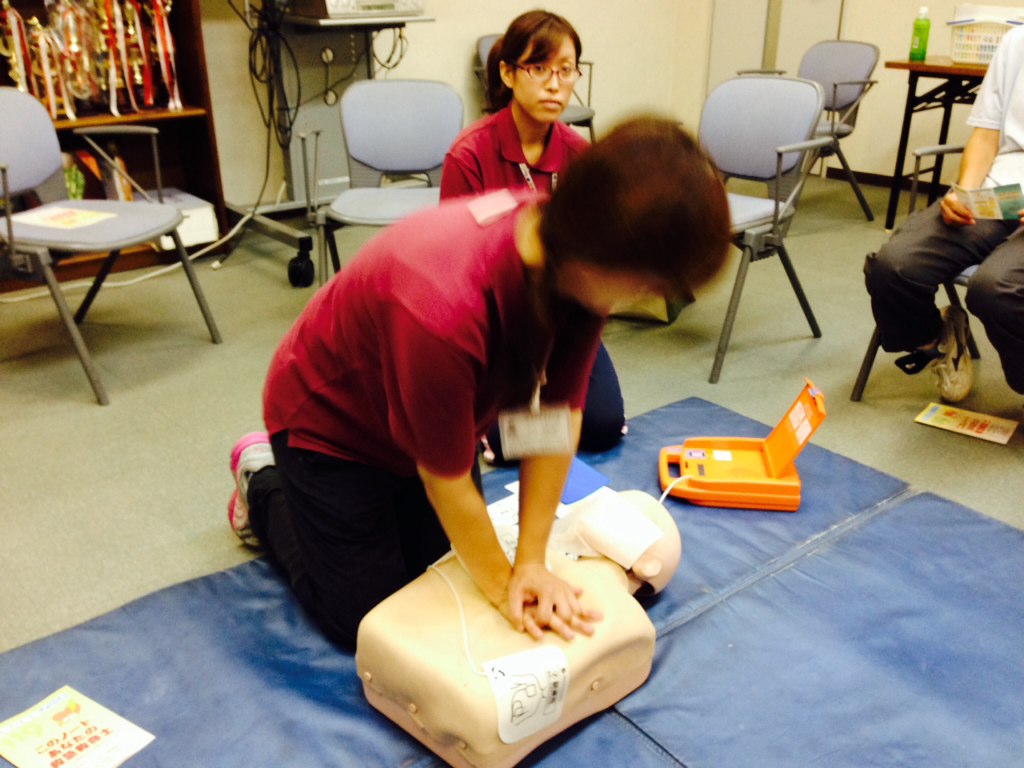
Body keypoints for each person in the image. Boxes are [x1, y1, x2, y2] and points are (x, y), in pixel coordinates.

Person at [227, 116, 731, 651]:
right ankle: (263, 483)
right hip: (329, 431)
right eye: (648, 286)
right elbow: (444, 480)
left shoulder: (577, 265)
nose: (645, 299)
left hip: (430, 423)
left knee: (435, 576)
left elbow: (555, 418)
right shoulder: (443, 305)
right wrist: (502, 588)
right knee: (369, 622)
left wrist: (530, 562)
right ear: (608, 256)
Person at [442, 10, 626, 463]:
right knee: (509, 444)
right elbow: (456, 272)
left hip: (563, 317)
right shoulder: (469, 155)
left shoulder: (581, 156)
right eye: (539, 68)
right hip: (496, 326)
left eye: (566, 70)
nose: (554, 84)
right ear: (508, 73)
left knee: (602, 427)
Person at [865, 24, 1024, 403]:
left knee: (996, 289)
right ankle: (937, 342)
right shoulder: (1016, 42)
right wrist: (964, 193)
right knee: (894, 266)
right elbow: (985, 135)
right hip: (1001, 190)